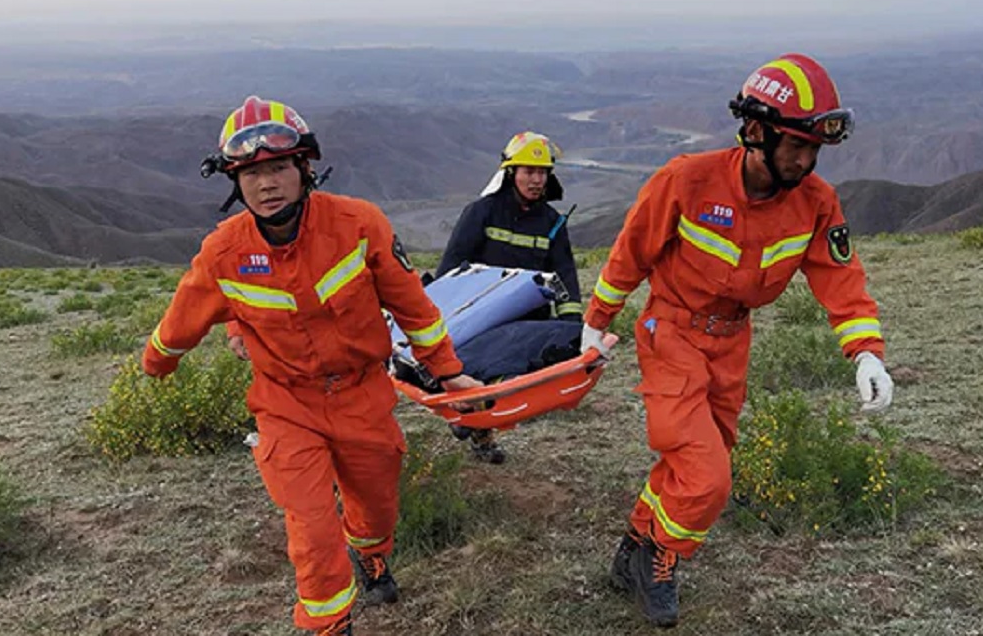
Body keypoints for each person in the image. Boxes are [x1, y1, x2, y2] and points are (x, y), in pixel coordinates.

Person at [141, 96, 482, 636]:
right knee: (312, 527)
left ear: (304, 169)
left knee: (376, 507)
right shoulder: (223, 252)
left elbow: (412, 306)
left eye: (277, 167)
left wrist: (447, 370)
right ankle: (328, 625)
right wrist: (156, 364)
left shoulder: (358, 224)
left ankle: (370, 555)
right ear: (235, 182)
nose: (266, 183)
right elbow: (182, 319)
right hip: (285, 403)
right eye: (250, 173)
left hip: (362, 394)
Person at [578, 54, 895, 628]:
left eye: (813, 148)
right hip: (670, 333)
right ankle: (661, 560)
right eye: (795, 145)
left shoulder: (816, 201)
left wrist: (866, 351)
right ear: (755, 132)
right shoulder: (686, 180)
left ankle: (632, 550)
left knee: (695, 463)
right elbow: (631, 252)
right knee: (707, 478)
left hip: (732, 344)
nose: (805, 159)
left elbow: (839, 278)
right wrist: (596, 322)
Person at [433, 131, 583, 464]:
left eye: (542, 172)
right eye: (529, 171)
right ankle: (474, 427)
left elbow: (566, 275)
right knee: (477, 374)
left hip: (527, 320)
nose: (536, 179)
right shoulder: (482, 212)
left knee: (504, 378)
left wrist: (572, 326)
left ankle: (479, 427)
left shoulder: (552, 223)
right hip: (480, 314)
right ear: (511, 172)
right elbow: (451, 269)